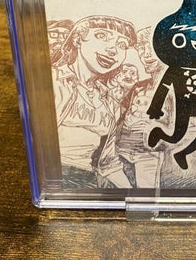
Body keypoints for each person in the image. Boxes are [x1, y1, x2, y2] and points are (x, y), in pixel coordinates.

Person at [51, 15, 137, 186]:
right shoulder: (54, 80)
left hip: (87, 181)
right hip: (57, 178)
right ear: (77, 39)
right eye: (101, 36)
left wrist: (133, 195)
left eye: (122, 45)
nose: (113, 50)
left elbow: (108, 163)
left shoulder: (109, 101)